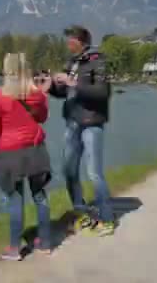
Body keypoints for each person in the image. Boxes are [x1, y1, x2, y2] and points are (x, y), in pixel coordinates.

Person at [48, 25, 115, 236]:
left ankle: (106, 219)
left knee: (94, 173)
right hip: (72, 122)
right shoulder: (72, 63)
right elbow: (62, 93)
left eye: (70, 40)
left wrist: (73, 82)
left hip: (91, 122)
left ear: (81, 41)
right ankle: (82, 212)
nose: (68, 44)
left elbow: (102, 92)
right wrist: (51, 85)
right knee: (68, 171)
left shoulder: (98, 60)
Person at [0, 53, 53, 261]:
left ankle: (14, 248)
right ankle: (45, 242)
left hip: (10, 154)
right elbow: (42, 118)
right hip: (35, 151)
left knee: (16, 200)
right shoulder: (38, 96)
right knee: (40, 196)